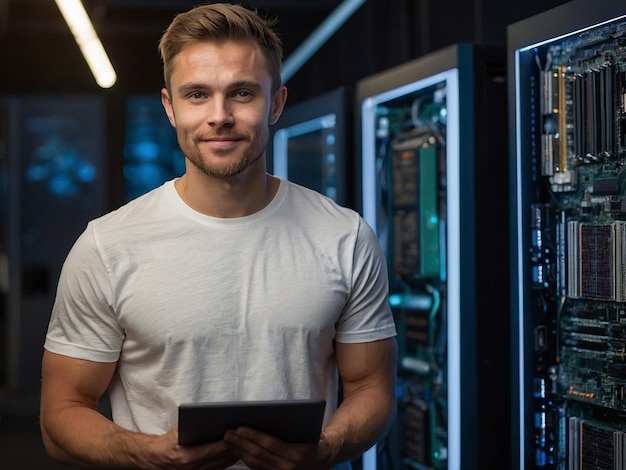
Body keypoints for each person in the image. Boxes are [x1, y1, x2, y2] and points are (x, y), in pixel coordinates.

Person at [39, 3, 397, 469]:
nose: (219, 116)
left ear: (276, 103)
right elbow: (60, 415)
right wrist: (147, 455)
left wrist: (325, 449)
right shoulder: (107, 247)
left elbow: (373, 389)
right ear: (170, 107)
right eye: (197, 95)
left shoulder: (345, 237)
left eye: (242, 93)